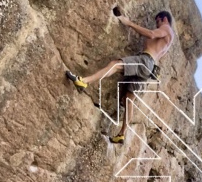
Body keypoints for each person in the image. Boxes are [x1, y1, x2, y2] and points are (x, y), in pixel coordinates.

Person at [66, 10, 174, 144]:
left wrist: (129, 23)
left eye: (157, 21)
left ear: (164, 19)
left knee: (115, 65)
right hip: (149, 68)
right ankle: (122, 134)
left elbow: (151, 34)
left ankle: (84, 81)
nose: (156, 25)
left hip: (145, 60)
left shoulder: (166, 28)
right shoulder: (169, 40)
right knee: (129, 99)